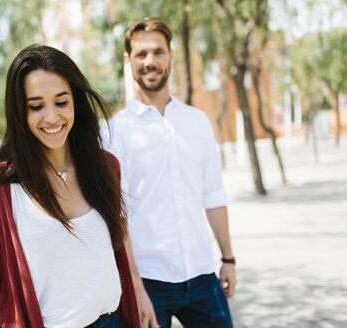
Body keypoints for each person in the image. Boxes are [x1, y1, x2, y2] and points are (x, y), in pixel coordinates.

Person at [0, 45, 140, 328]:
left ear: (75, 102)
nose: (52, 117)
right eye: (36, 106)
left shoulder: (106, 168)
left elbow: (118, 251)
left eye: (61, 102)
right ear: (19, 111)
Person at [104, 17, 237, 328]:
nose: (151, 61)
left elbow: (213, 194)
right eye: (141, 54)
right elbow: (116, 216)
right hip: (149, 281)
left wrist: (228, 259)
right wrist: (135, 287)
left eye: (158, 52)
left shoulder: (197, 121)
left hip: (202, 274)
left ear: (171, 56)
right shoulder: (112, 133)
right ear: (128, 61)